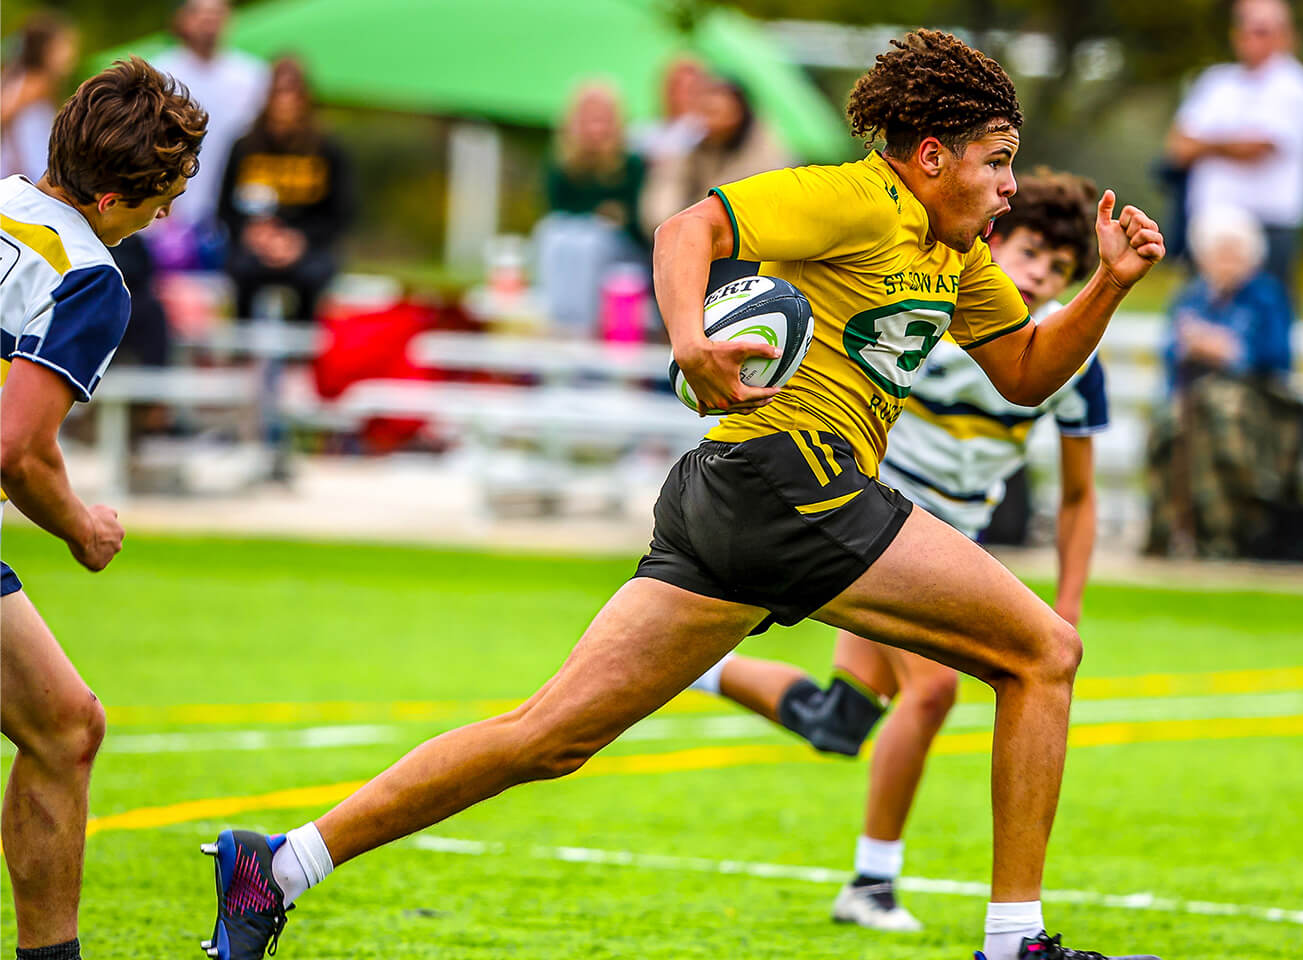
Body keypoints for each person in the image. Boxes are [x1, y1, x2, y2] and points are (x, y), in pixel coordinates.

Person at [197, 29, 1165, 960]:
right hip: (794, 476)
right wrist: (689, 342)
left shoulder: (957, 262)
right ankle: (1015, 945)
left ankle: (275, 870)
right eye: (996, 162)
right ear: (927, 155)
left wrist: (1108, 286)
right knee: (1044, 653)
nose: (1007, 187)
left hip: (734, 496)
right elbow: (686, 226)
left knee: (548, 736)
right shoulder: (855, 201)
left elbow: (1030, 371)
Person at [684, 169, 1108, 933]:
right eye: (1032, 251)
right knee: (936, 691)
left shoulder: (1070, 363)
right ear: (996, 240)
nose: (1042, 273)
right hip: (876, 521)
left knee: (837, 722)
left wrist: (1069, 599)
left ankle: (698, 665)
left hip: (948, 546)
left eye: (1061, 268)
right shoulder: (938, 318)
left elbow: (1079, 499)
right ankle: (874, 884)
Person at [1, 58, 205, 960]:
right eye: (161, 200)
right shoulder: (89, 277)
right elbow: (16, 448)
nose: (164, 218)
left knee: (63, 723)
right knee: (64, 726)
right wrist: (83, 526)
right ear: (118, 196)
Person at [1146, 203, 1298, 559]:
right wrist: (1190, 346)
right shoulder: (1192, 296)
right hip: (1193, 395)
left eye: (1234, 253)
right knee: (1168, 424)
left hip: (1255, 399)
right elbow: (1169, 352)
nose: (1226, 261)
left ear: (1251, 257)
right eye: (1218, 252)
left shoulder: (1267, 296)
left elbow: (1279, 357)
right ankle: (1167, 532)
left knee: (1218, 416)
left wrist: (1228, 351)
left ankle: (1227, 534)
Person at [1165, 0, 1303, 298]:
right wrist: (1230, 144)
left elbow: (1259, 148)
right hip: (1208, 225)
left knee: (1264, 320)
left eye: (1262, 30)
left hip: (1266, 226)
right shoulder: (1216, 81)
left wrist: (1206, 144)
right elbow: (1178, 146)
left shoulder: (1299, 86)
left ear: (1286, 34)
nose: (1251, 37)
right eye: (1244, 27)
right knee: (1200, 315)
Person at [216, 57, 355, 323]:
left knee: (312, 277)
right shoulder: (244, 146)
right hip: (253, 247)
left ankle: (302, 356)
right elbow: (224, 208)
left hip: (309, 248)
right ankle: (243, 353)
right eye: (278, 92)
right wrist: (253, 234)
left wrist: (298, 240)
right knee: (241, 272)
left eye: (292, 92)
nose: (285, 102)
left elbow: (341, 214)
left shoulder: (327, 149)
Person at [151, 0, 268, 265]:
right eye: (200, 15)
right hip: (171, 212)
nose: (209, 24)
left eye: (216, 15)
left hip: (233, 209)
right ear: (182, 20)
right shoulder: (160, 74)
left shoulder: (252, 77)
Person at [538, 82, 650, 335]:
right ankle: (557, 319)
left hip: (622, 252)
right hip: (573, 240)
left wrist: (602, 215)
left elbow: (634, 219)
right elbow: (558, 209)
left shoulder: (632, 164)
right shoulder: (562, 163)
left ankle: (581, 327)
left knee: (589, 241)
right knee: (553, 234)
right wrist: (600, 212)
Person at [639, 77, 791, 236]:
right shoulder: (693, 146)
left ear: (738, 113)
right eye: (704, 111)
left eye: (715, 112)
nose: (707, 120)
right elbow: (667, 188)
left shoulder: (763, 150)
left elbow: (746, 202)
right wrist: (669, 224)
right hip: (696, 235)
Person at [0, 12, 79, 182]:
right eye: (63, 47)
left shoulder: (38, 82)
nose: (70, 54)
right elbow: (5, 112)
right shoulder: (34, 84)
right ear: (45, 49)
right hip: (24, 173)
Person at [631, 56, 708, 162]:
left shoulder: (707, 132)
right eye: (676, 87)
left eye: (691, 89)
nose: (682, 96)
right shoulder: (645, 131)